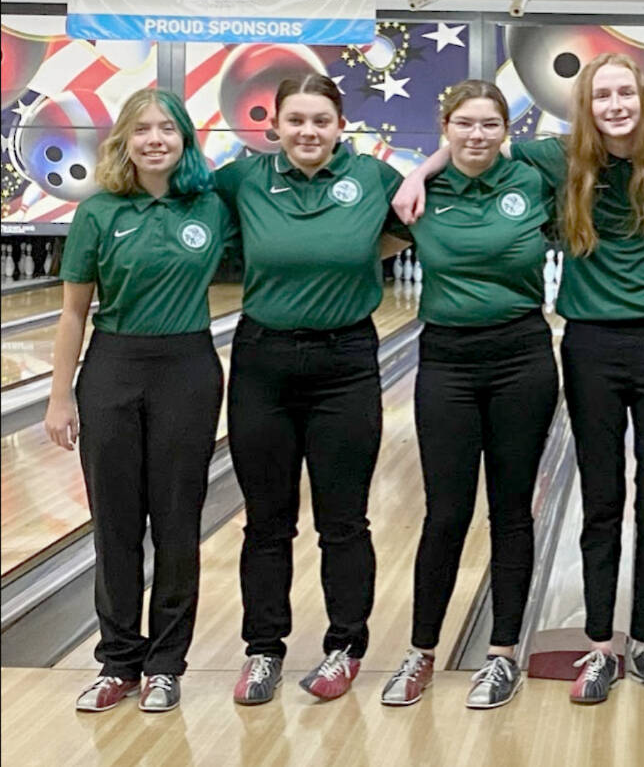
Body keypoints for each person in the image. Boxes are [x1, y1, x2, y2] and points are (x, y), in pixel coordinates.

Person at [393, 53, 644, 705]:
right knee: (601, 496)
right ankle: (598, 646)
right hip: (590, 340)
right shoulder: (553, 160)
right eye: (601, 95)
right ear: (584, 106)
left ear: (642, 98)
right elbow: (476, 142)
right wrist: (422, 167)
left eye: (625, 92)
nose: (614, 104)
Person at [215, 74, 403, 705]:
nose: (308, 132)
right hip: (262, 361)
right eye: (296, 120)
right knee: (266, 523)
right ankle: (263, 650)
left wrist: (345, 261)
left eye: (321, 120)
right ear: (276, 126)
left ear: (339, 124)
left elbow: (411, 218)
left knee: (343, 521)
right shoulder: (242, 179)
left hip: (346, 360)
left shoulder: (375, 179)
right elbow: (183, 197)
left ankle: (344, 648)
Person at [47, 88, 232, 713]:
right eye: (142, 130)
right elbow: (74, 312)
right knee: (117, 526)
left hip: (188, 368)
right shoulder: (98, 212)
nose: (155, 139)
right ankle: (117, 661)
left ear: (185, 140)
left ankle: (166, 665)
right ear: (124, 141)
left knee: (177, 524)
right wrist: (59, 397)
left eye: (168, 129)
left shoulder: (212, 204)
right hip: (112, 369)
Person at [378, 81, 558, 710]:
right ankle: (420, 652)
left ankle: (502, 654)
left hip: (523, 358)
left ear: (507, 130)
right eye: (464, 124)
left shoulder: (535, 177)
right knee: (445, 511)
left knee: (512, 511)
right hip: (447, 361)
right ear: (444, 125)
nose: (476, 135)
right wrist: (420, 172)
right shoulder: (419, 195)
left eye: (489, 125)